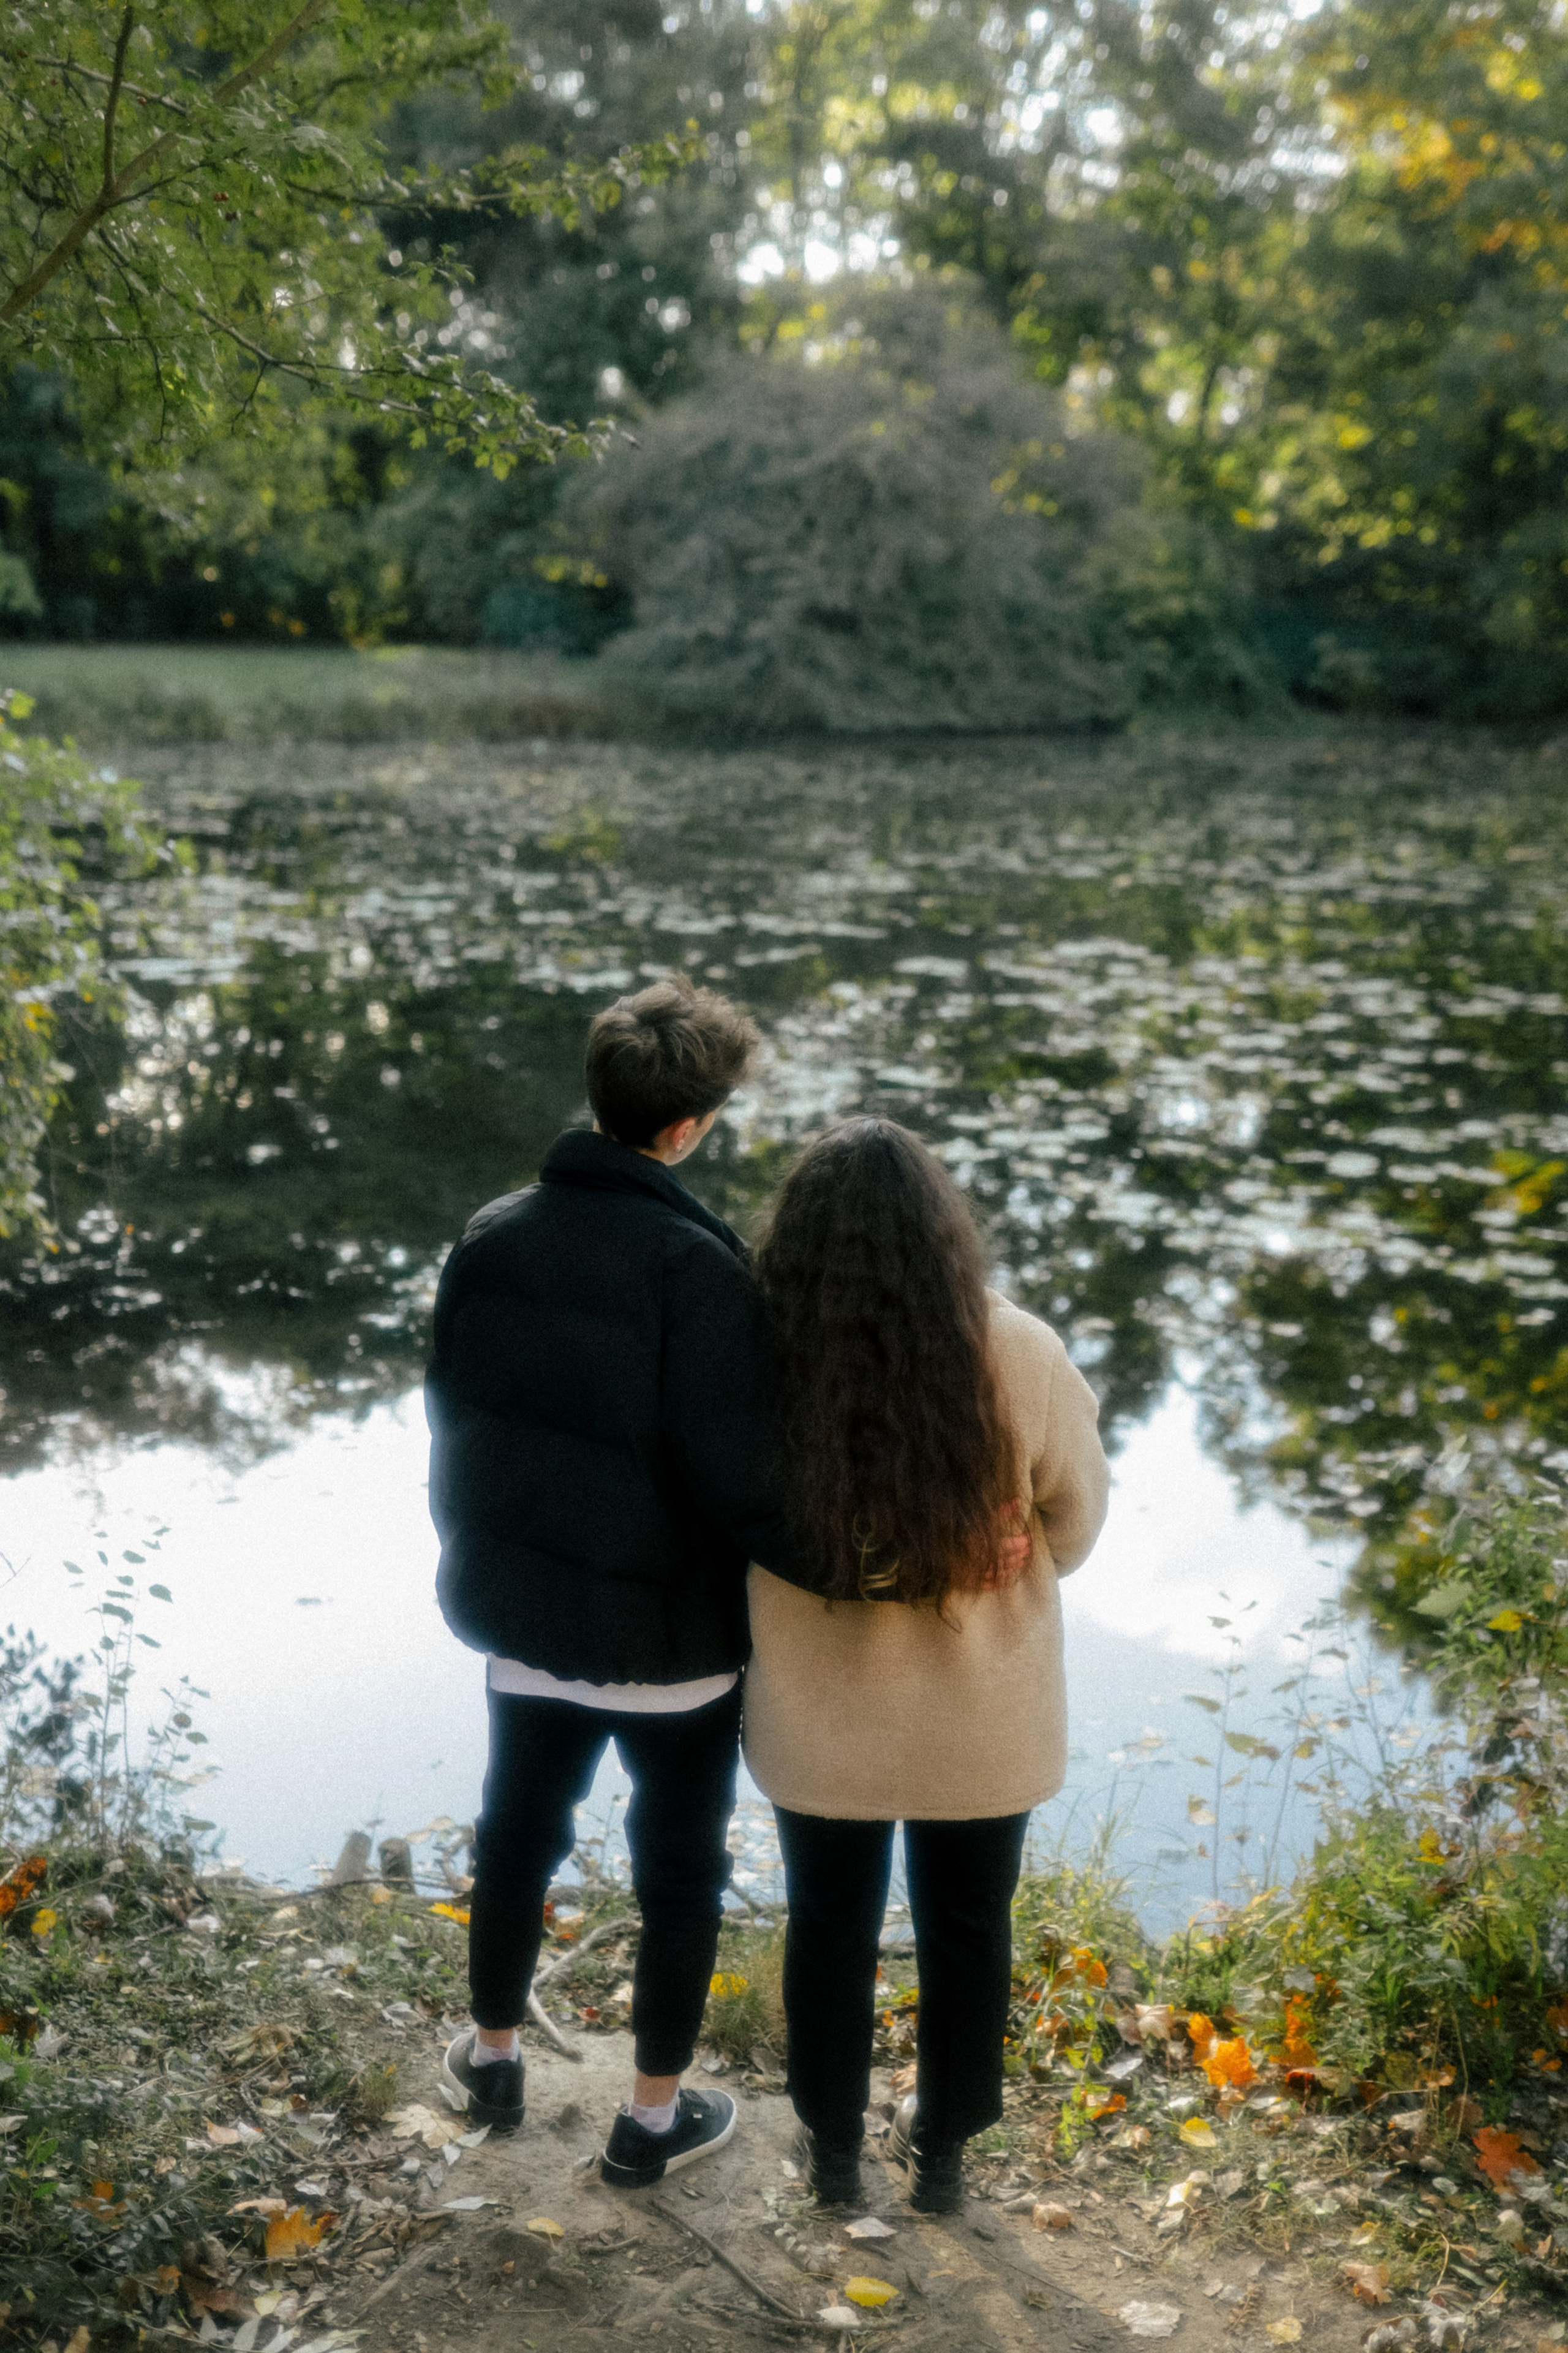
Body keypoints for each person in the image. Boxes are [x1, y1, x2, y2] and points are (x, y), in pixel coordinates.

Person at [424, 978, 793, 2188]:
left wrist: (484, 1561)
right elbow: (738, 1480)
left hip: (525, 1618)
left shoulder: (490, 1235)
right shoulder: (700, 1271)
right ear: (684, 1128)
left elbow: (456, 1428)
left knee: (516, 1834)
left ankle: (488, 2064)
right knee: (679, 1863)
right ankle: (647, 2121)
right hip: (672, 1646)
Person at [742, 1117, 1110, 2213]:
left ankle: (833, 2148)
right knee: (966, 1928)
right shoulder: (1026, 1352)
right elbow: (1078, 1520)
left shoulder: (760, 1354)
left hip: (821, 1720)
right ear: (945, 1233)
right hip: (979, 1717)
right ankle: (944, 2151)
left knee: (828, 1924)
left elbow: (727, 1511)